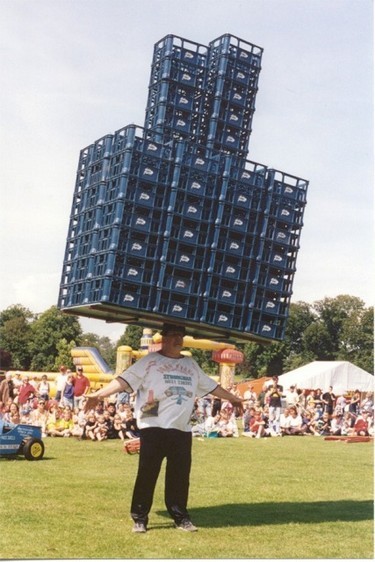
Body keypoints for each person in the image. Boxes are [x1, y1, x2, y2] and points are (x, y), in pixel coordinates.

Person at [84, 323, 243, 533]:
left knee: (180, 476)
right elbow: (124, 380)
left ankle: (180, 517)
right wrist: (99, 394)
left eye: (181, 335)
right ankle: (140, 518)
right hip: (153, 425)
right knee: (147, 473)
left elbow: (211, 386)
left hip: (181, 428)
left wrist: (233, 398)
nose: (178, 339)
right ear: (163, 338)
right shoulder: (150, 361)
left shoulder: (190, 364)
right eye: (174, 335)